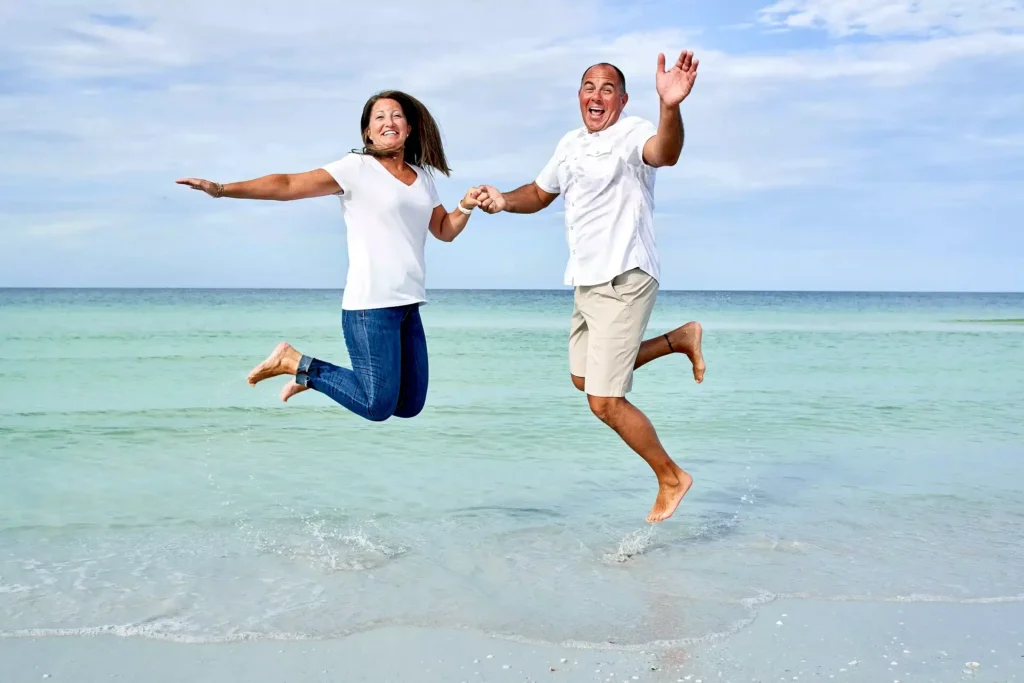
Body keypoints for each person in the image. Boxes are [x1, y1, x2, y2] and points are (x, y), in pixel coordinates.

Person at [476, 52, 705, 523]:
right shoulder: (570, 144)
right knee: (584, 379)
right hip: (585, 279)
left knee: (604, 400)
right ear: (579, 96)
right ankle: (678, 339)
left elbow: (666, 152)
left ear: (621, 99)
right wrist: (502, 200)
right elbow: (539, 193)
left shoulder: (634, 132)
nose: (596, 95)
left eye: (606, 89)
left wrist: (671, 106)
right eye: (588, 87)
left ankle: (671, 476)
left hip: (626, 275)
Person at [176, 90, 482, 421]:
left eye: (395, 116)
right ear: (367, 131)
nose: (388, 122)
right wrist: (222, 189)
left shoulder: (422, 177)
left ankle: (318, 377)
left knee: (408, 405)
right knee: (376, 407)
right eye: (378, 117)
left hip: (408, 304)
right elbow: (289, 185)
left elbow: (443, 229)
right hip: (370, 306)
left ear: (408, 128)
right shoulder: (356, 168)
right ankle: (295, 362)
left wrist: (466, 205)